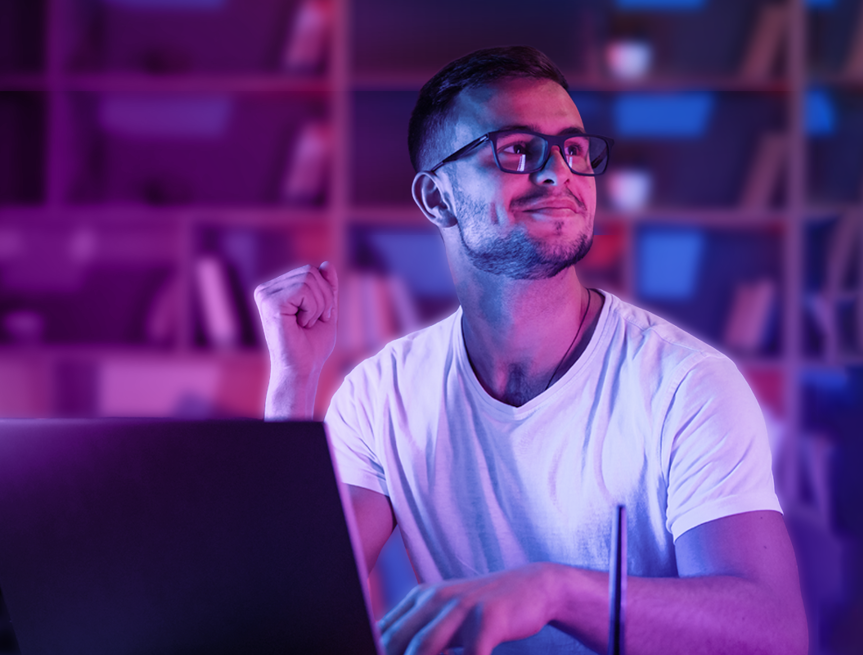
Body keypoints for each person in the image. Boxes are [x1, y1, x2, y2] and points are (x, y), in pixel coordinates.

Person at [254, 46, 807, 655]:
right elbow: (285, 607)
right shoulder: (380, 395)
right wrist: (292, 383)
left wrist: (552, 591)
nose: (559, 173)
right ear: (436, 199)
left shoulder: (687, 384)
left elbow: (772, 634)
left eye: (573, 149)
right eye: (516, 150)